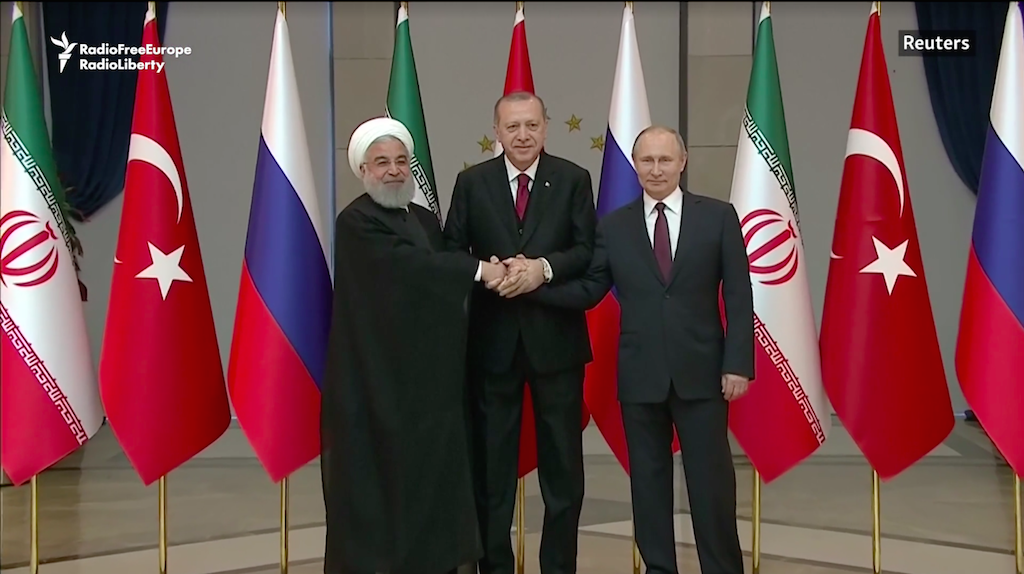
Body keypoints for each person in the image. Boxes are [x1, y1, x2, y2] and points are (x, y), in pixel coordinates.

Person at [497, 126, 754, 574]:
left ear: (682, 162)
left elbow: (738, 294)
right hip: (641, 377)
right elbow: (590, 289)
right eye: (647, 161)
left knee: (711, 487)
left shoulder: (718, 217)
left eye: (665, 160)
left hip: (703, 374)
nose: (656, 169)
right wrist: (533, 285)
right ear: (635, 166)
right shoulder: (614, 225)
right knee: (648, 487)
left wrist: (738, 364)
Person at [321, 117, 509, 574]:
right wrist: (479, 270)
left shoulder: (423, 219)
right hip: (375, 384)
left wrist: (498, 269)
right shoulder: (356, 221)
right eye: (381, 162)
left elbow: (440, 276)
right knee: (380, 490)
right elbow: (409, 269)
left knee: (431, 487)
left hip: (428, 385)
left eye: (401, 161)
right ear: (363, 170)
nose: (393, 171)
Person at [443, 91, 597, 574]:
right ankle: (495, 567)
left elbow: (586, 250)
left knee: (563, 475)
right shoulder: (472, 183)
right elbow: (451, 251)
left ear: (546, 127)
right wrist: (484, 270)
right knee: (492, 474)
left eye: (532, 125)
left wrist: (542, 270)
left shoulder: (573, 179)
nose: (523, 135)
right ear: (497, 131)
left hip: (557, 345)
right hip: (492, 346)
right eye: (513, 127)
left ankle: (558, 567)